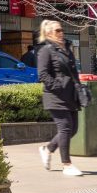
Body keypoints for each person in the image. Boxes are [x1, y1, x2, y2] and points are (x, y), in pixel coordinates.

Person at [37, 19, 84, 177]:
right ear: (49, 33)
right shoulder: (46, 51)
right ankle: (67, 164)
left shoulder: (67, 49)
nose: (61, 32)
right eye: (57, 30)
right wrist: (57, 86)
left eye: (61, 29)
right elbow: (42, 74)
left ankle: (48, 149)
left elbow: (73, 72)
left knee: (73, 129)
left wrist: (79, 87)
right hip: (55, 96)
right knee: (65, 127)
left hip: (71, 95)